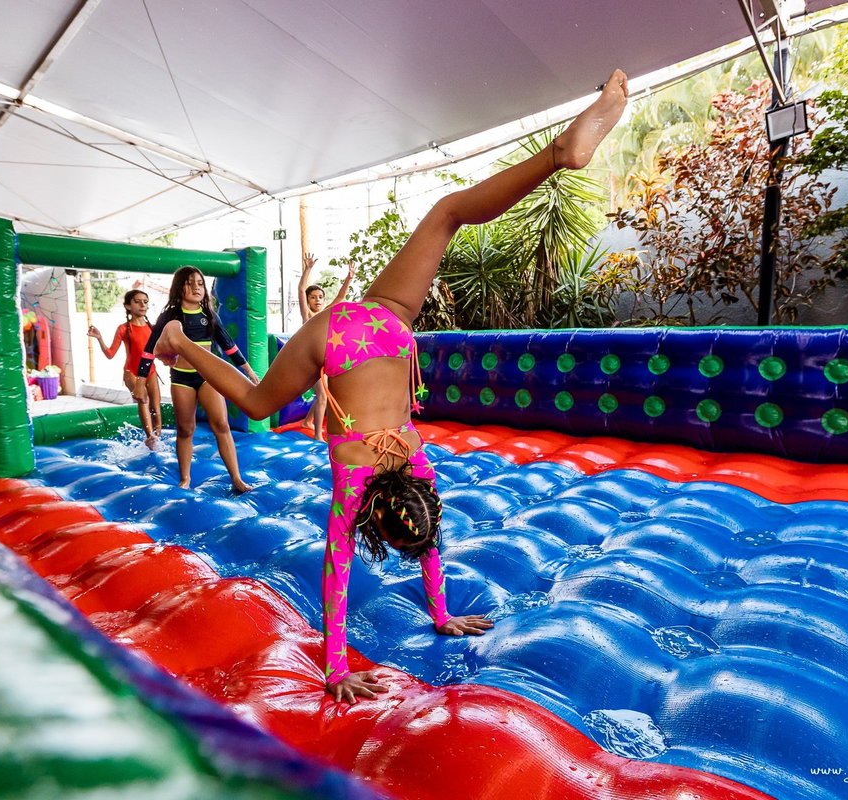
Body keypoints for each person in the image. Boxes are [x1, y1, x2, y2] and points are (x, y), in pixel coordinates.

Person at [153, 71, 630, 702]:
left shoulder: (419, 463)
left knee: (449, 213)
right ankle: (181, 342)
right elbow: (337, 574)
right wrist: (337, 668)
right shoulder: (356, 490)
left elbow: (430, 542)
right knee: (258, 402)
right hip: (339, 339)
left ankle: (556, 157)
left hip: (388, 322)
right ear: (372, 518)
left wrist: (439, 612)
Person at [138, 267, 259, 492]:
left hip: (207, 378)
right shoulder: (170, 317)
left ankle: (236, 478)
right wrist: (140, 381)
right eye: (189, 283)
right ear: (178, 287)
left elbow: (229, 347)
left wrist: (249, 372)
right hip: (181, 379)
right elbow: (148, 350)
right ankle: (185, 479)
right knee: (186, 429)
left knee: (221, 425)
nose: (196, 287)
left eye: (200, 283)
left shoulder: (209, 316)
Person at [88, 289, 163, 448]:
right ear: (128, 306)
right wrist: (99, 338)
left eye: (145, 302)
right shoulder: (124, 329)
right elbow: (110, 354)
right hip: (132, 373)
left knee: (156, 409)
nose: (142, 305)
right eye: (137, 301)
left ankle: (157, 440)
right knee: (143, 399)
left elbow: (162, 350)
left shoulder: (152, 328)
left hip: (151, 372)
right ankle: (150, 437)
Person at [297, 254, 356, 441]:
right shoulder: (307, 315)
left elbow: (340, 297)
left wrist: (349, 278)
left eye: (320, 297)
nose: (317, 300)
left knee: (323, 394)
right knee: (322, 396)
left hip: (322, 359)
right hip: (310, 361)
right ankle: (317, 435)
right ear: (308, 300)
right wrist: (307, 270)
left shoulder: (325, 314)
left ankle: (307, 421)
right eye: (313, 297)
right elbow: (301, 289)